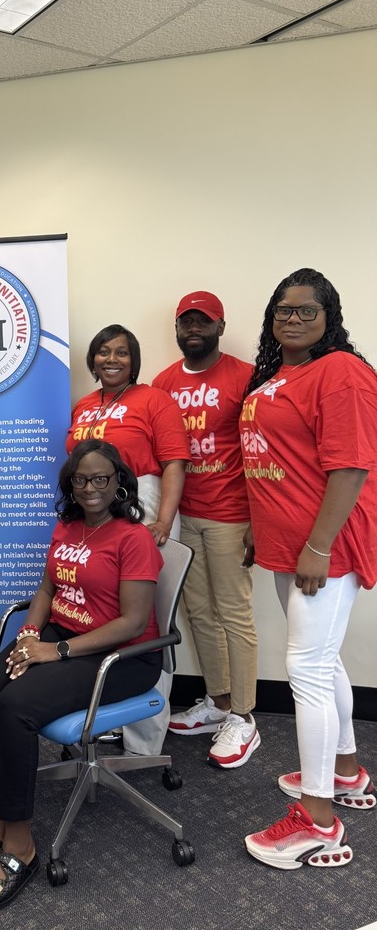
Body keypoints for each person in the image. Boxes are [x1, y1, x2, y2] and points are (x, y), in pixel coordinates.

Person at [0, 441, 164, 910]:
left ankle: (21, 844)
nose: (90, 488)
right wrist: (31, 634)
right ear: (70, 485)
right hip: (60, 637)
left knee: (15, 708)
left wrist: (56, 650)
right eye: (80, 479)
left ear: (118, 482)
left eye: (100, 479)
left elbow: (133, 623)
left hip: (120, 657)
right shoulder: (68, 526)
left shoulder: (132, 538)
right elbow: (49, 586)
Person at [240, 269, 376, 870]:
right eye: (282, 311)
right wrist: (257, 528)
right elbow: (273, 459)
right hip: (286, 544)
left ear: (329, 317)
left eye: (306, 310)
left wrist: (319, 547)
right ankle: (345, 771)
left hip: (323, 547)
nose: (292, 319)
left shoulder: (341, 372)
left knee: (308, 668)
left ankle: (319, 820)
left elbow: (351, 467)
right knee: (322, 661)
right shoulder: (281, 376)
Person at [67, 324, 189, 756]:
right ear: (93, 359)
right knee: (101, 611)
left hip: (145, 506)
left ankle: (144, 739)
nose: (111, 359)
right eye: (103, 351)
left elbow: (174, 463)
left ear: (134, 360)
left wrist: (163, 521)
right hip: (93, 509)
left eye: (121, 352)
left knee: (147, 621)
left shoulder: (154, 399)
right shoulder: (83, 405)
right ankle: (109, 714)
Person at [153, 292, 260, 769]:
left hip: (231, 512)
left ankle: (244, 716)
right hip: (182, 513)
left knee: (234, 612)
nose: (193, 328)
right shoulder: (163, 382)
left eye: (203, 321)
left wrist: (261, 518)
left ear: (220, 326)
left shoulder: (245, 375)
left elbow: (263, 449)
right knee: (197, 612)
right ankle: (217, 702)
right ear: (177, 329)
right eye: (185, 321)